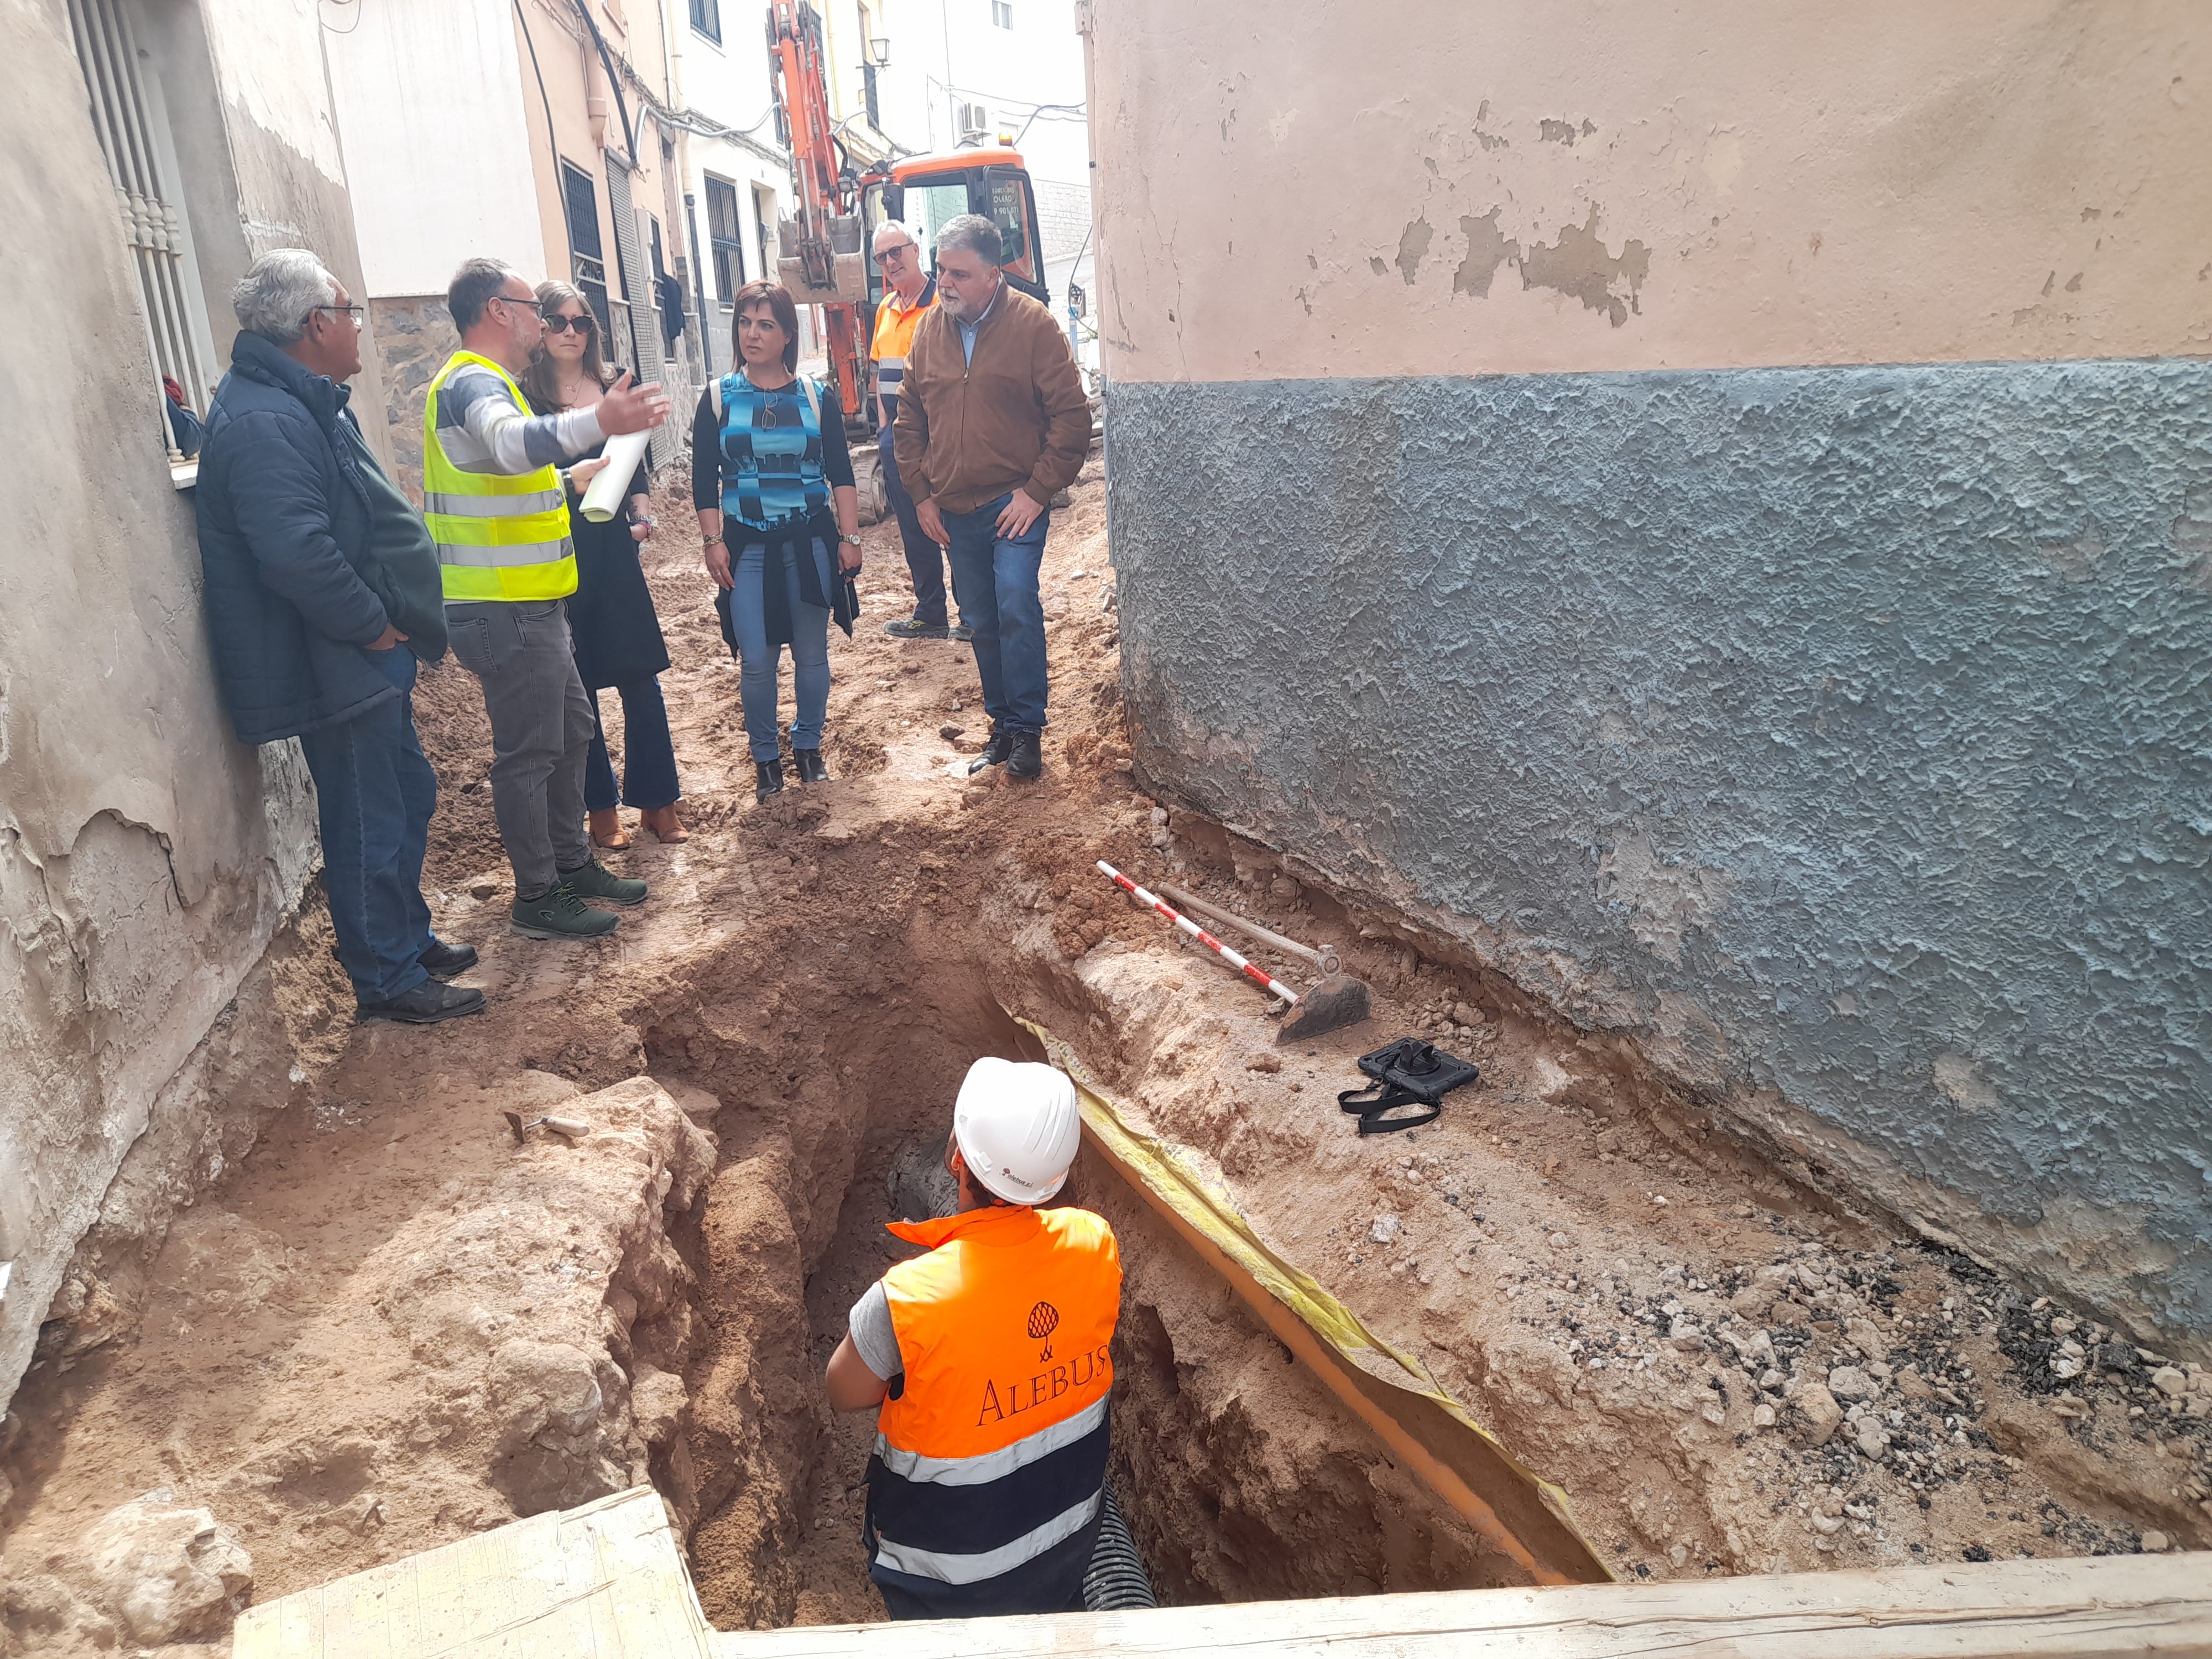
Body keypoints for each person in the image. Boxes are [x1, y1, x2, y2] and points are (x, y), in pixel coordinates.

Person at [195, 248, 482, 1024]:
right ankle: (385, 978)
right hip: (335, 658)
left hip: (356, 653)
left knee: (408, 796)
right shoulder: (263, 420)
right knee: (368, 819)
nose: (359, 326)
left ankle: (406, 938)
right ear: (316, 324)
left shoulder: (301, 399)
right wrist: (376, 628)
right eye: (350, 311)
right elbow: (297, 553)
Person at [825, 1058, 1123, 1619]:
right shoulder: (1096, 1243)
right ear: (1055, 1177)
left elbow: (844, 1392)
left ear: (957, 1156)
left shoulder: (908, 1299)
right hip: (1066, 1549)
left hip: (944, 1585)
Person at [426, 258, 669, 940]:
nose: (544, 320)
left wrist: (568, 476)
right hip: (503, 608)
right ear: (497, 310)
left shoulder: (492, 381)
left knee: (571, 737)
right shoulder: (473, 380)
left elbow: (508, 476)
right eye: (534, 308)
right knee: (530, 755)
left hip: (536, 602)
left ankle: (572, 866)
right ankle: (538, 895)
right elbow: (508, 446)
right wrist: (602, 418)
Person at [894, 215, 1090, 780]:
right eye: (940, 270)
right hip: (953, 507)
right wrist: (922, 496)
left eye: (958, 273)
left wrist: (1036, 492)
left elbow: (1071, 419)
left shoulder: (1034, 327)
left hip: (1012, 504)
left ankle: (1028, 731)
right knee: (979, 618)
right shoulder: (930, 330)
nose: (944, 283)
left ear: (992, 274)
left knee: (1014, 604)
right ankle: (1001, 727)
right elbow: (908, 419)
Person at [520, 281, 687, 850]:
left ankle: (659, 804)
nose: (571, 331)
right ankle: (600, 811)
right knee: (580, 681)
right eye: (558, 320)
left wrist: (643, 513)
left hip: (613, 545)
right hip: (557, 549)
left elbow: (633, 462)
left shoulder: (614, 383)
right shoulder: (525, 397)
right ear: (538, 328)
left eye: (581, 321)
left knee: (641, 675)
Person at [691, 280, 864, 804]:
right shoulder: (719, 397)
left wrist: (851, 537)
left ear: (788, 334)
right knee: (757, 659)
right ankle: (766, 759)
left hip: (810, 542)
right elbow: (704, 479)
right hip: (745, 550)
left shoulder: (816, 396)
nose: (753, 334)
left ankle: (809, 747)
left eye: (766, 324)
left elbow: (841, 472)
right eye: (745, 322)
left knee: (812, 655)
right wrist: (712, 541)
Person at [868, 221, 962, 643]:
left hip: (939, 438)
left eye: (896, 252)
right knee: (912, 525)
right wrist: (885, 427)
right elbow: (878, 372)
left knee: (952, 523)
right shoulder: (886, 309)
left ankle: (974, 614)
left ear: (917, 249)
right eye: (882, 257)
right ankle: (931, 614)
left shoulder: (944, 304)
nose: (891, 262)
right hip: (897, 441)